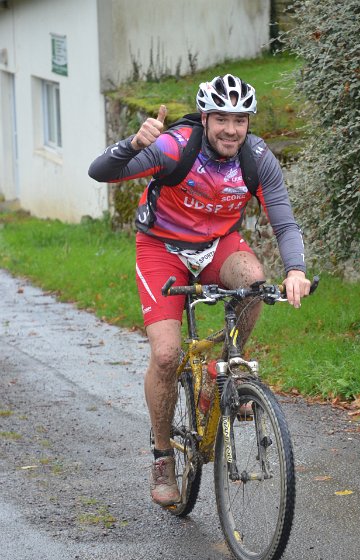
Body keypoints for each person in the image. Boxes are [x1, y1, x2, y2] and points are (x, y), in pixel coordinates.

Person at [89, 73, 310, 507]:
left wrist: (296, 270)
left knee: (254, 282)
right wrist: (133, 144)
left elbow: (283, 220)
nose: (231, 129)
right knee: (167, 355)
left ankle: (227, 368)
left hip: (216, 246)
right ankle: (162, 456)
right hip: (162, 248)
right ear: (205, 118)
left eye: (240, 120)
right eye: (222, 119)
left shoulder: (257, 158)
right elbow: (102, 172)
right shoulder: (175, 147)